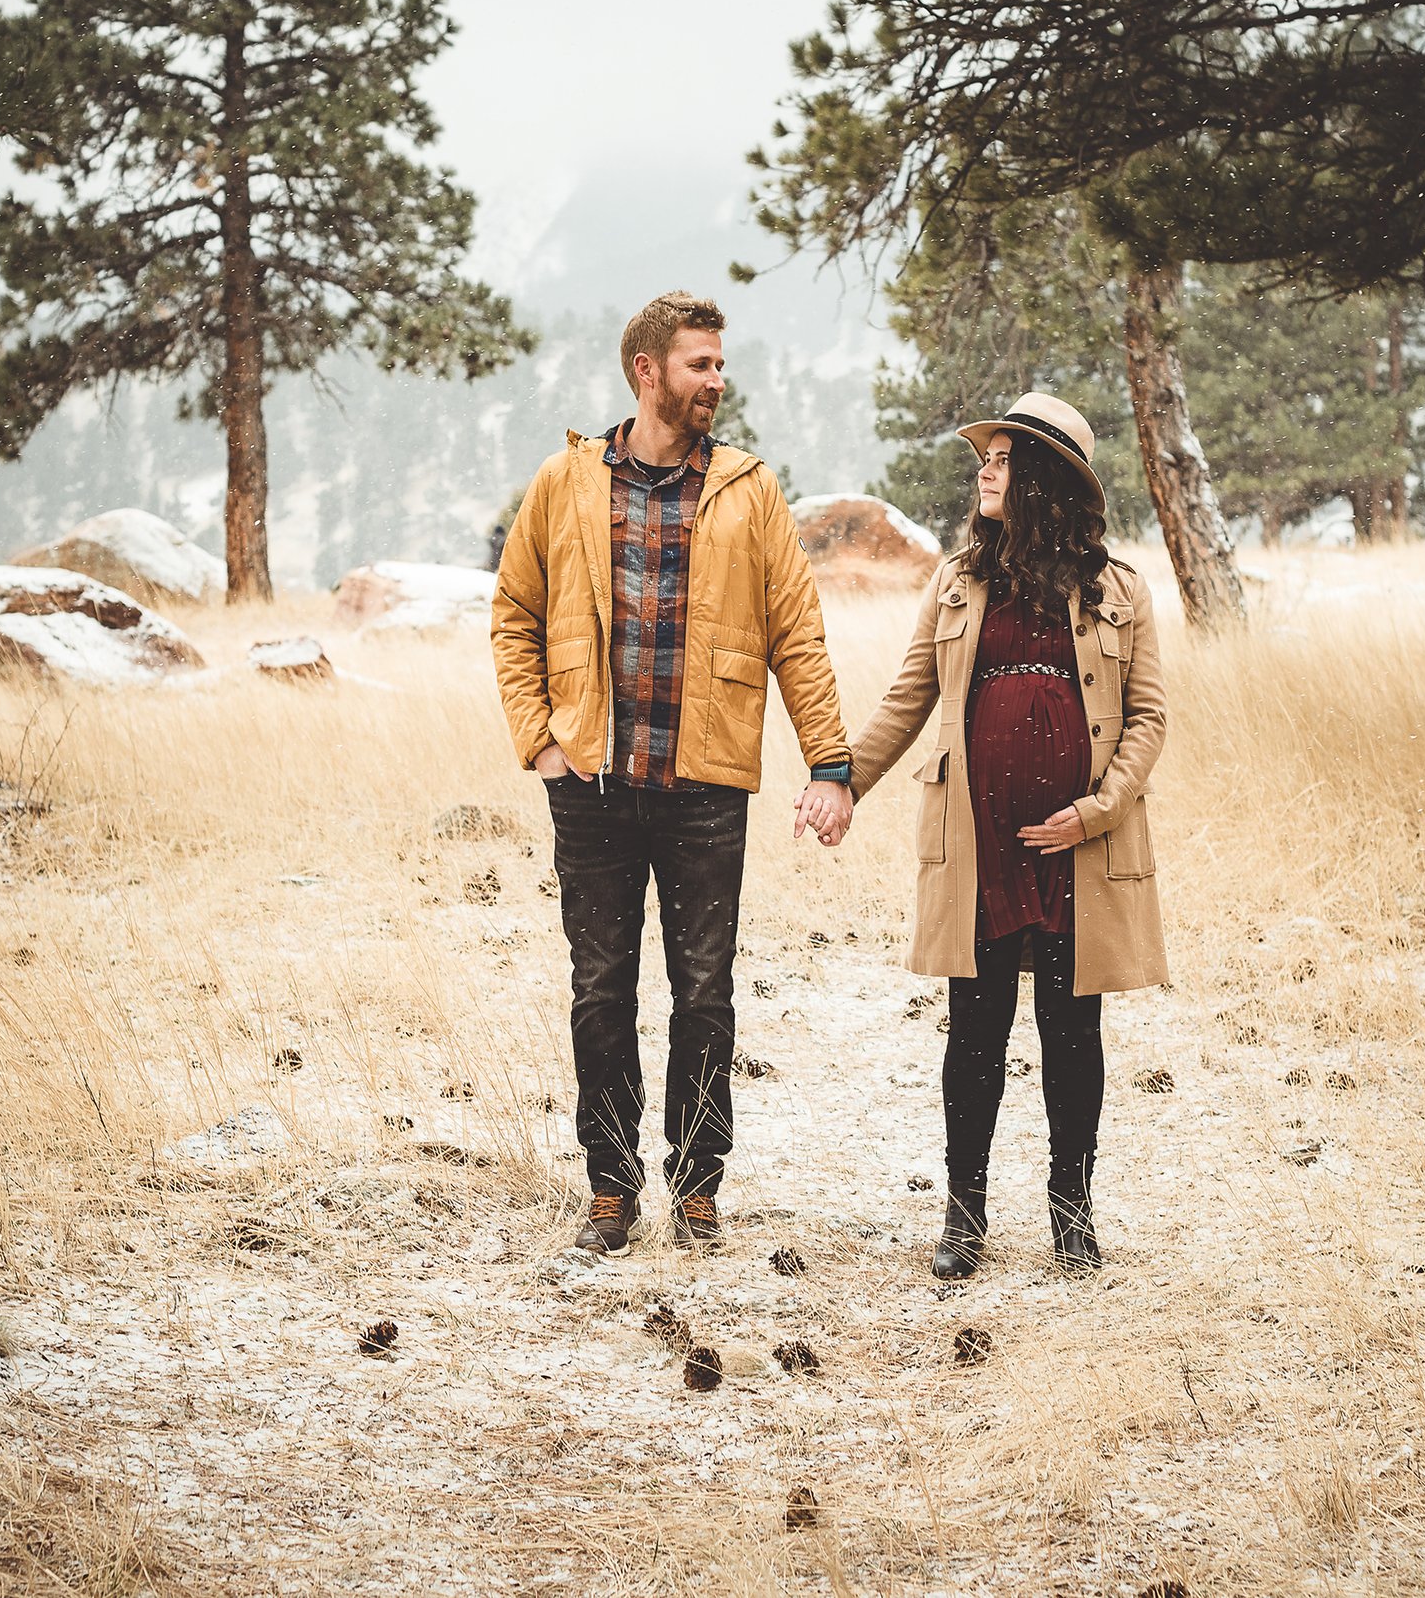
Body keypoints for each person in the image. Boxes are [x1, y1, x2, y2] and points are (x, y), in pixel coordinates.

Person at [491, 291, 856, 1256]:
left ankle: (697, 1187)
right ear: (647, 371)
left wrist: (831, 762)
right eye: (700, 364)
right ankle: (610, 1189)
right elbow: (513, 616)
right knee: (602, 991)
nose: (717, 382)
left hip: (705, 786)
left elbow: (798, 635)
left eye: (720, 365)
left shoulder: (749, 489)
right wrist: (541, 740)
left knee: (704, 992)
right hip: (594, 791)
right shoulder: (564, 483)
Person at [847, 392, 1167, 1278]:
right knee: (975, 1034)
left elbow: (1147, 719)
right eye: (985, 456)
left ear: (1047, 478)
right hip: (976, 842)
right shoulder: (956, 582)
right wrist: (842, 779)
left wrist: (1094, 811)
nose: (986, 468)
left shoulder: (1118, 591)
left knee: (1073, 1035)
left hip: (1081, 850)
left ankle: (1073, 1215)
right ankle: (964, 1215)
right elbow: (909, 698)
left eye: (1004, 457)